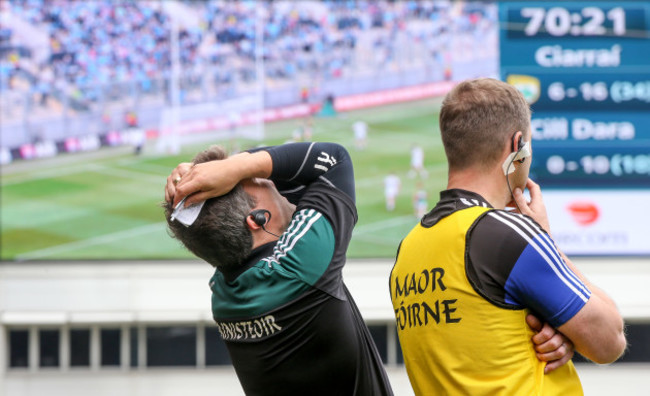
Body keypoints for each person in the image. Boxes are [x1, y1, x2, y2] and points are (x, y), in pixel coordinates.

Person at [389, 78, 626, 395]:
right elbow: (610, 339)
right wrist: (546, 240)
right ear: (517, 146)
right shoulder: (506, 235)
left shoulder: (409, 250)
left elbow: (487, 339)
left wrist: (564, 332)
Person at [164, 142, 393, 396]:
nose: (270, 181)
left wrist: (218, 171)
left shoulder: (224, 291)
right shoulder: (299, 266)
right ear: (257, 219)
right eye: (258, 181)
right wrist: (233, 167)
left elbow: (302, 181)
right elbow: (334, 161)